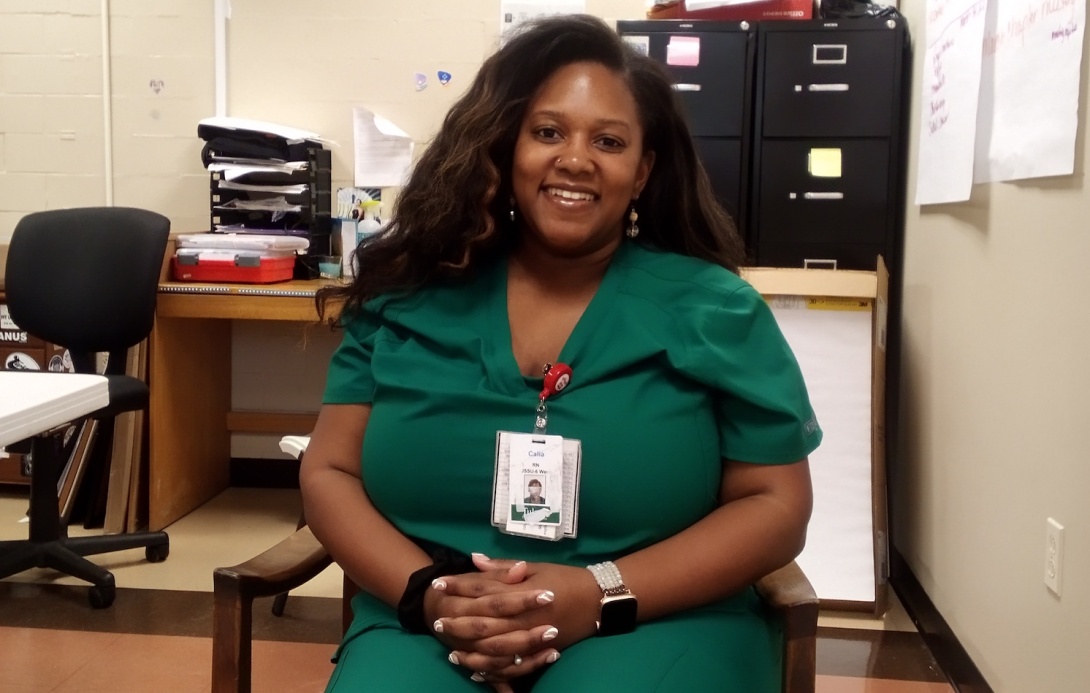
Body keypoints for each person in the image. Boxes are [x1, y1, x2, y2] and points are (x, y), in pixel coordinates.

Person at [301, 14, 820, 693]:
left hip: (654, 616)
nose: (575, 158)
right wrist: (429, 594)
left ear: (641, 172)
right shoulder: (407, 296)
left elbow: (775, 503)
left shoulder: (715, 309)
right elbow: (329, 470)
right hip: (434, 622)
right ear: (505, 148)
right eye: (548, 132)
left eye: (608, 140)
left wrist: (596, 591)